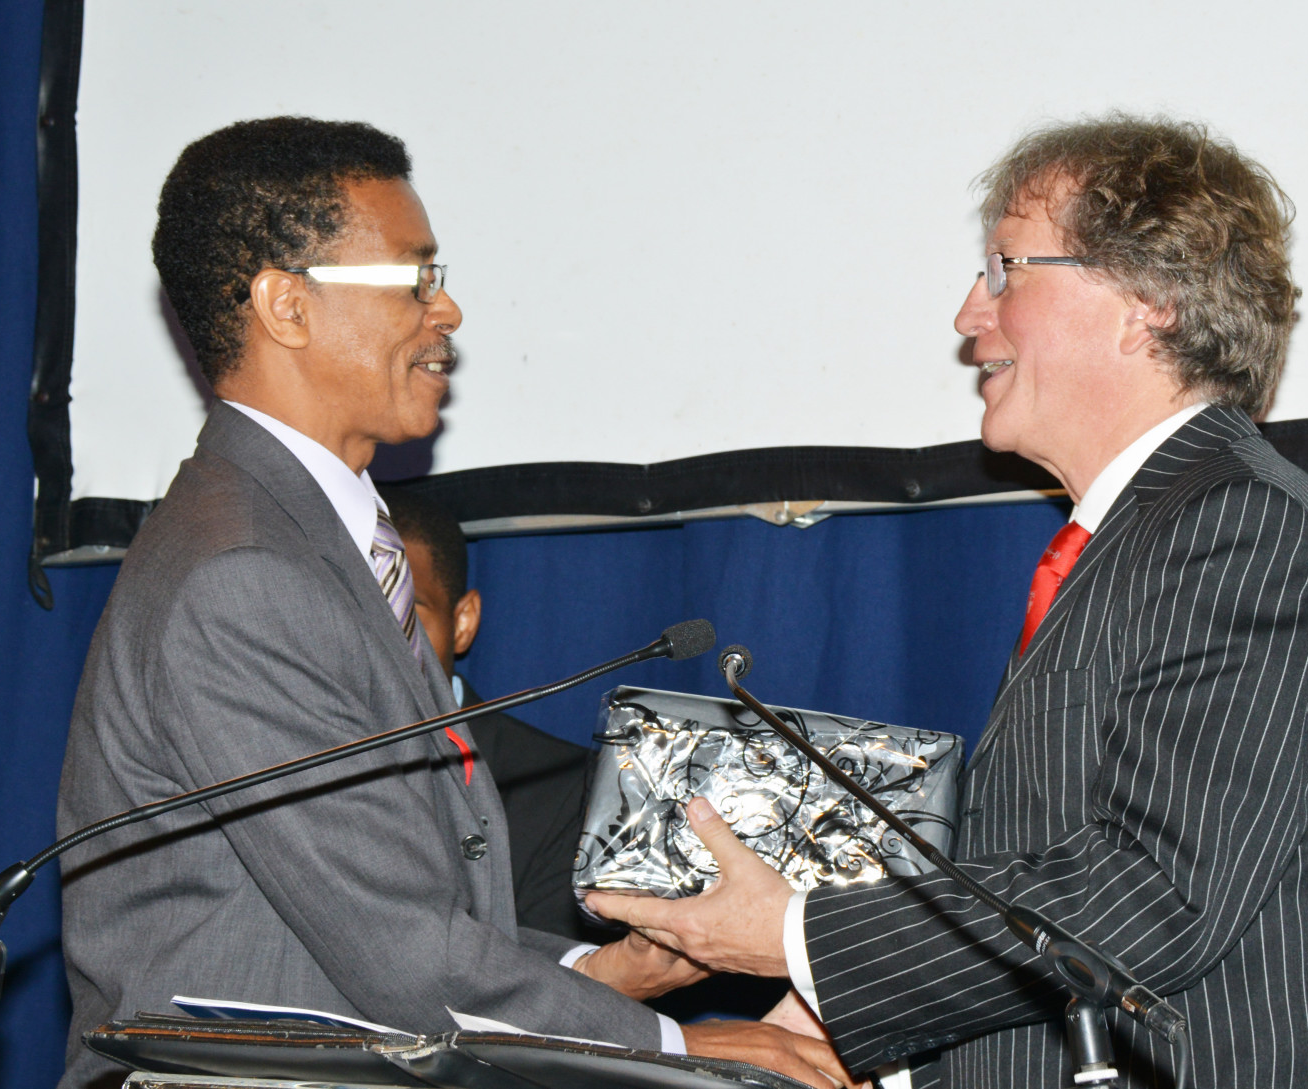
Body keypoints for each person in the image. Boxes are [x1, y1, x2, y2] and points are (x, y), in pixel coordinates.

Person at [590, 114, 1308, 1089]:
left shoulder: (1240, 530)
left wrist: (799, 936)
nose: (967, 315)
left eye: (1004, 270)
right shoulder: (1144, 538)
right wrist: (869, 1049)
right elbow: (1062, 945)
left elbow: (1155, 896)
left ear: (1146, 302)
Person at [55, 117, 847, 1089]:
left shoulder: (315, 541)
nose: (450, 310)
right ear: (287, 306)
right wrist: (682, 1050)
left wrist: (600, 972)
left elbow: (400, 923)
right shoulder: (244, 574)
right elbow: (398, 956)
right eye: (417, 278)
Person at [385, 490, 596, 940]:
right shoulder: (278, 757)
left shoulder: (561, 788)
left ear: (463, 621)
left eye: (403, 613)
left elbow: (546, 971)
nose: (375, 640)